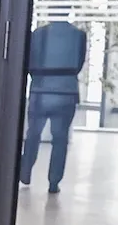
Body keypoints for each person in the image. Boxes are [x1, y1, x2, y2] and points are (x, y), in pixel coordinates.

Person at [20, 18, 87, 194]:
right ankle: (53, 182)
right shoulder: (78, 36)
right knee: (60, 139)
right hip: (66, 93)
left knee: (33, 134)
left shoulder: (38, 35)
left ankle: (25, 170)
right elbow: (78, 64)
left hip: (40, 92)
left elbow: (30, 63)